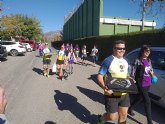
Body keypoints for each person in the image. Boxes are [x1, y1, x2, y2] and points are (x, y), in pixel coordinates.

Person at [97, 40, 130, 124]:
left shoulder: (126, 61)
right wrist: (104, 86)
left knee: (123, 116)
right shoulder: (108, 60)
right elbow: (100, 75)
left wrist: (130, 78)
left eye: (123, 48)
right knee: (112, 117)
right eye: (119, 48)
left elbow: (126, 74)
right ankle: (102, 119)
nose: (122, 50)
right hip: (111, 94)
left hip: (124, 93)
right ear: (114, 49)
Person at [128, 45, 154, 124]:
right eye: (146, 51)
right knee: (147, 101)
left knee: (140, 97)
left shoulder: (149, 60)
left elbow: (150, 69)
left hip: (148, 82)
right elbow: (133, 70)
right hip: (141, 83)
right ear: (142, 51)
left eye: (149, 51)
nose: (147, 52)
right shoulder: (138, 60)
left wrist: (152, 73)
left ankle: (130, 108)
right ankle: (149, 121)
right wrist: (132, 78)